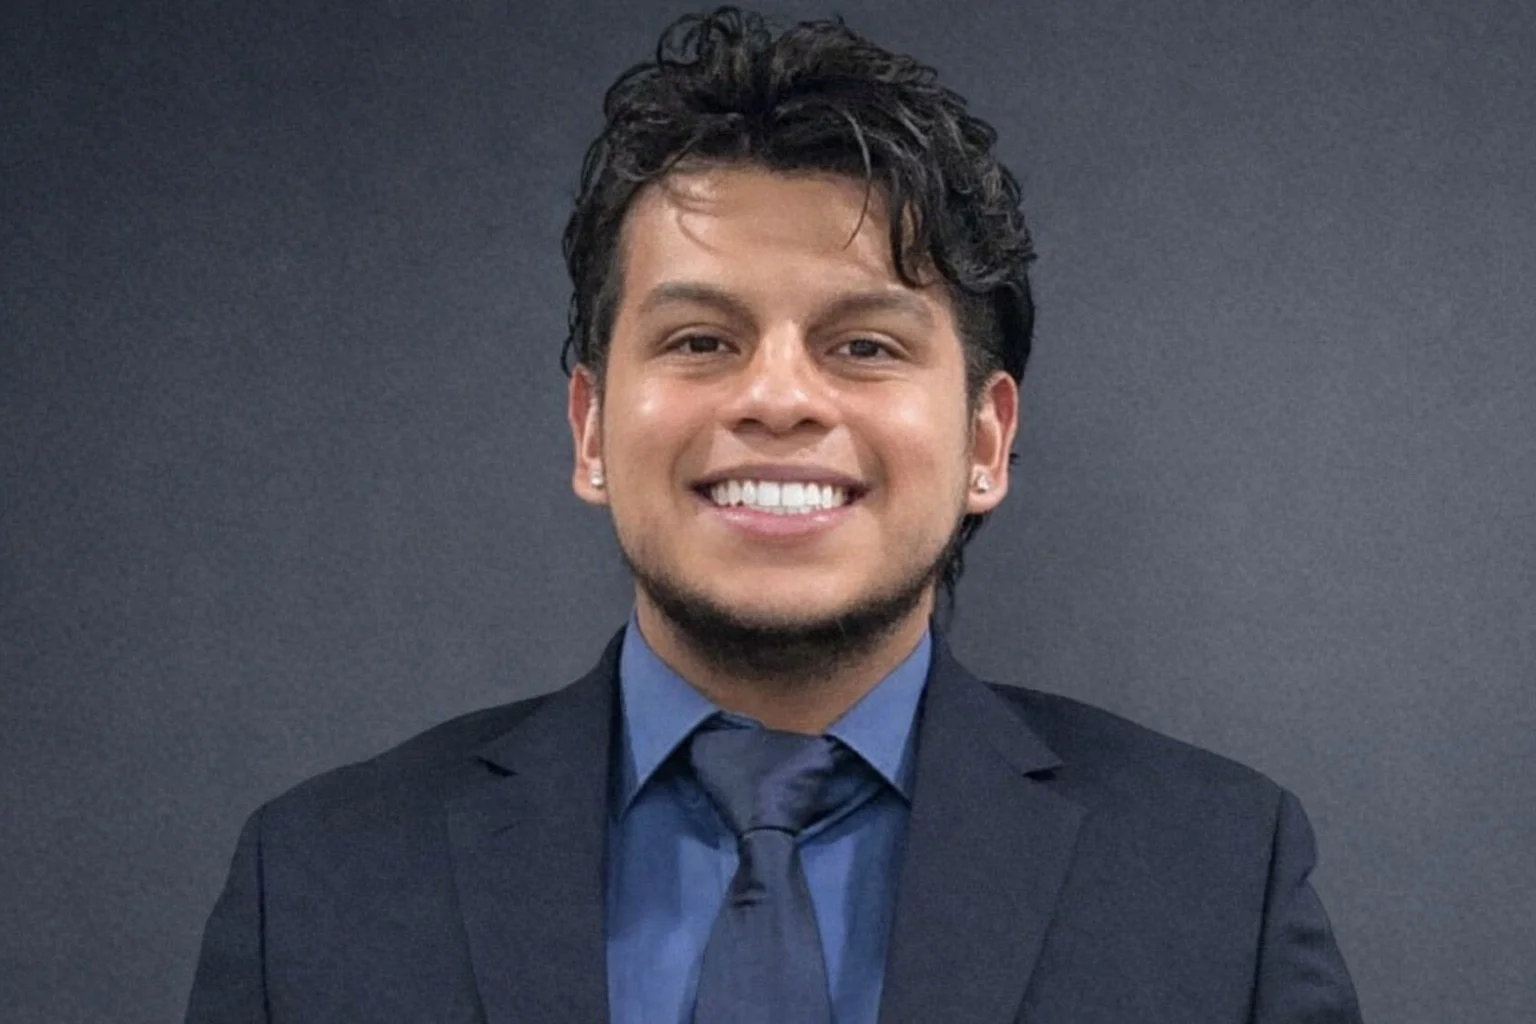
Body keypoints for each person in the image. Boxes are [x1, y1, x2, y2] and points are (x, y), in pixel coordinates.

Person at [186, 7, 1363, 1022]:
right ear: (591, 429)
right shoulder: (320, 881)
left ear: (985, 443)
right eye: (702, 340)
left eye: (865, 345)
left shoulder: (1219, 878)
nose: (778, 397)